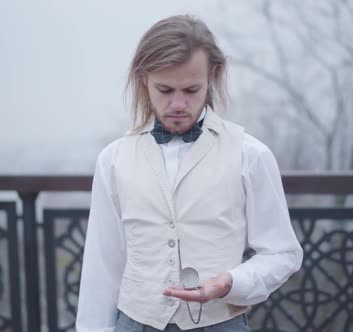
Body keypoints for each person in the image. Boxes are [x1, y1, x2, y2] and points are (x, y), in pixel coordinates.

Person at [76, 14, 303, 332]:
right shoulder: (113, 159)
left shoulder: (251, 155)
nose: (179, 104)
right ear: (144, 78)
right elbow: (102, 265)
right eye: (165, 90)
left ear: (212, 76)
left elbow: (283, 253)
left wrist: (232, 282)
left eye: (191, 89)